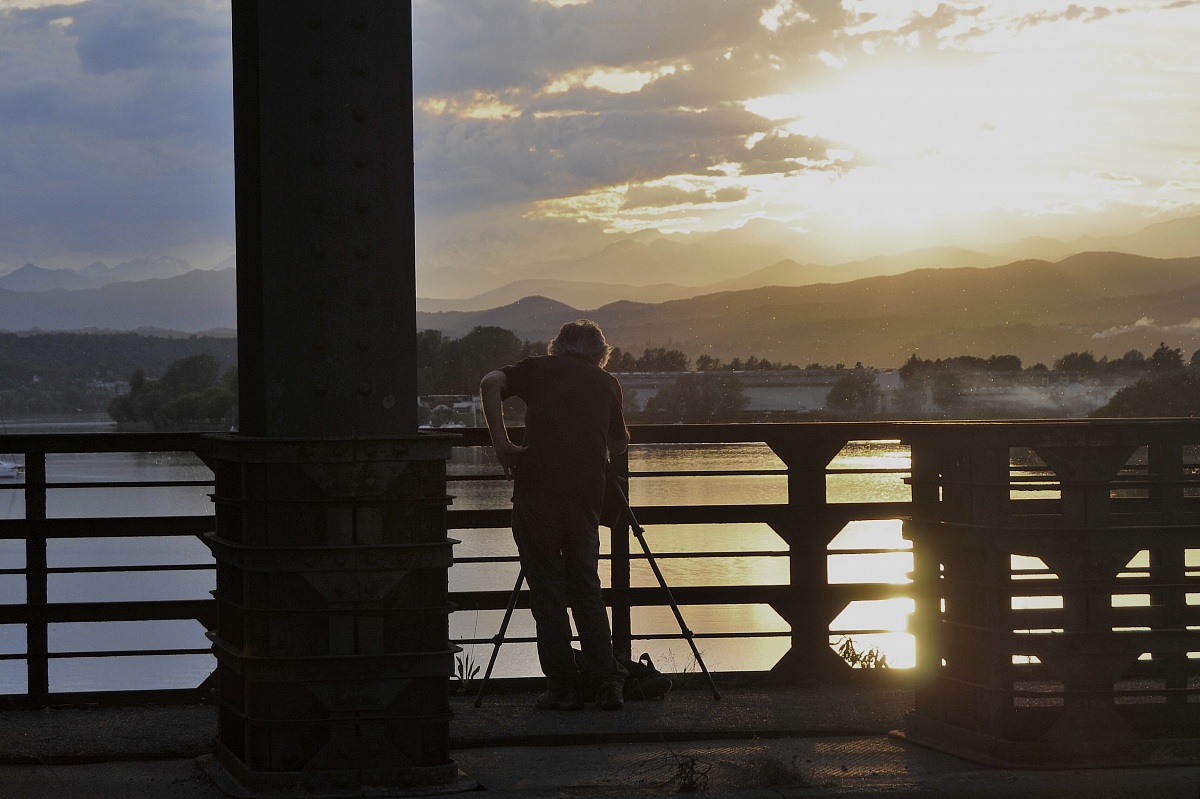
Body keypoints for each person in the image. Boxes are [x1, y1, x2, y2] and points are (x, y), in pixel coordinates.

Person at [480, 319, 630, 711]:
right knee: (586, 588)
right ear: (599, 354)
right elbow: (619, 441)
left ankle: (563, 687)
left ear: (558, 347)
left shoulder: (535, 369)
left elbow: (489, 383)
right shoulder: (606, 383)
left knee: (547, 589)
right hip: (586, 496)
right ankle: (606, 684)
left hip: (537, 491)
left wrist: (502, 443)